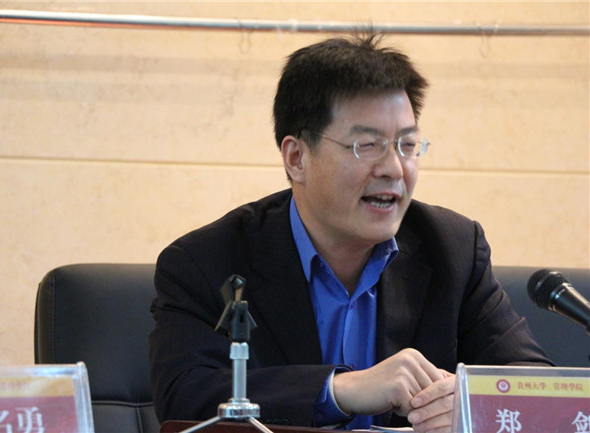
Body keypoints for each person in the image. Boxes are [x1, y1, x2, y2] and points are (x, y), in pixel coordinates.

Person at [149, 33, 552, 433]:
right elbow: (185, 395)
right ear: (297, 158)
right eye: (367, 145)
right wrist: (339, 390)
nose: (394, 169)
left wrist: (470, 405)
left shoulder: (453, 249)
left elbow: (534, 387)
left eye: (407, 145)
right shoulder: (207, 261)